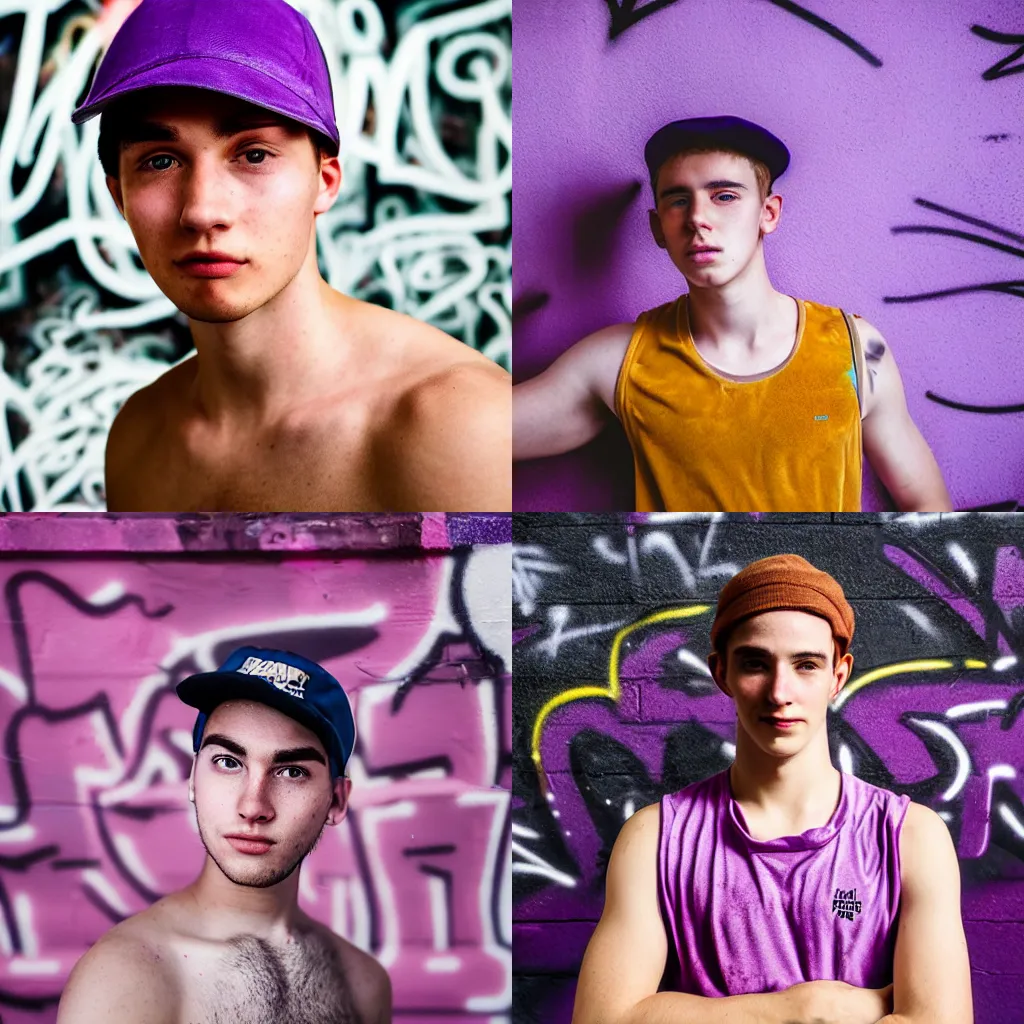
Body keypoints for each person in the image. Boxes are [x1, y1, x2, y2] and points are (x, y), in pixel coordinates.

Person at [71, 0, 510, 513]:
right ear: (119, 196)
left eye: (253, 154)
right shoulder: (139, 439)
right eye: (161, 161)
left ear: (324, 183)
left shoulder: (457, 425)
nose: (203, 210)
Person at [571, 555, 972, 1024]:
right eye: (756, 663)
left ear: (837, 677)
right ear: (722, 673)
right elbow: (603, 1020)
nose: (780, 691)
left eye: (806, 665)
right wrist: (803, 1010)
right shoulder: (655, 838)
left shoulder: (910, 838)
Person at [513, 116, 951, 513]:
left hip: (819, 599)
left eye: (724, 196)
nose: (699, 218)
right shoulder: (619, 361)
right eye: (678, 200)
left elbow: (928, 509)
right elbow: (476, 435)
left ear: (768, 213)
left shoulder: (856, 349)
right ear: (657, 227)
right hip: (685, 601)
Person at [57, 646, 391, 1024]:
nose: (253, 806)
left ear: (336, 800)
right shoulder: (126, 979)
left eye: (292, 772)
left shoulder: (364, 983)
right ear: (193, 778)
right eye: (228, 763)